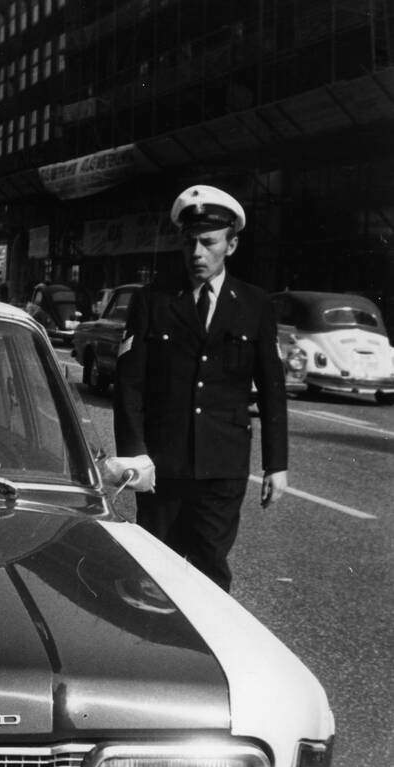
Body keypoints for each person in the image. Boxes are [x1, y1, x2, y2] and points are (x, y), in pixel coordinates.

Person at [111, 184, 289, 593]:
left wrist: (275, 464)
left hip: (222, 466)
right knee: (155, 571)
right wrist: (133, 455)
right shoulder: (153, 301)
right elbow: (130, 384)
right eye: (190, 242)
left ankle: (206, 655)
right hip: (162, 465)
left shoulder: (255, 304)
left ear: (231, 244)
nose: (197, 253)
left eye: (209, 243)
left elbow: (272, 387)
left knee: (211, 569)